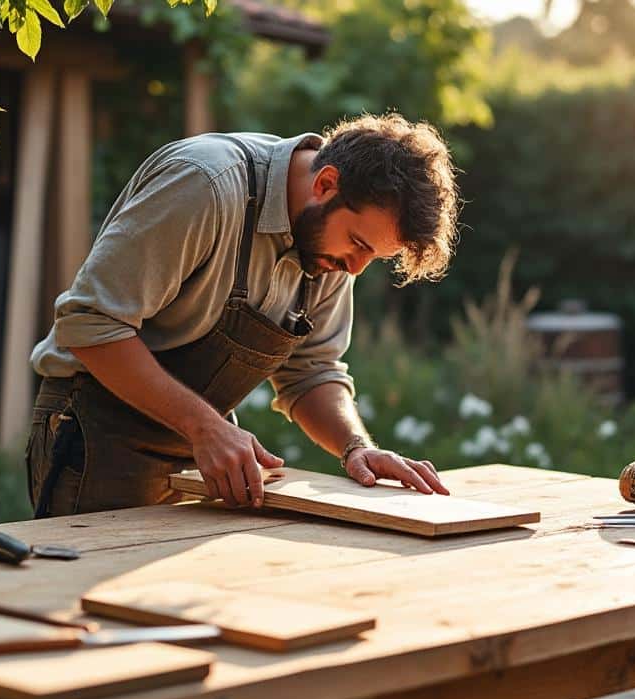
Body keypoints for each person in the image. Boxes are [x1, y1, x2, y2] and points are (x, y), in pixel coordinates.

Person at [25, 112, 461, 517]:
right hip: (93, 433)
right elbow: (89, 324)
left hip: (200, 449)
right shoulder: (205, 185)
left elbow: (311, 372)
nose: (355, 269)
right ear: (326, 184)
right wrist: (205, 428)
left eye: (375, 257)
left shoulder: (331, 246)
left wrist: (355, 446)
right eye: (359, 245)